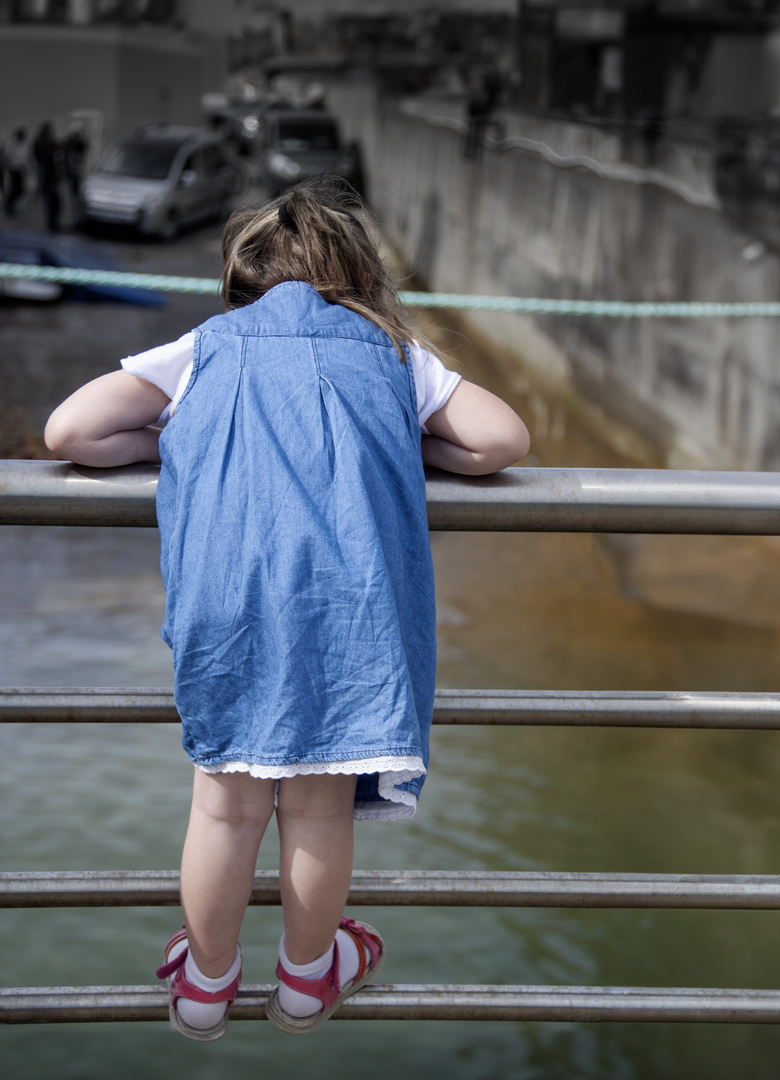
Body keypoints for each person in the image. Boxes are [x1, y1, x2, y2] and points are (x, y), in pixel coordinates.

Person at [43, 178, 528, 1041]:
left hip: (227, 611)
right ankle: (308, 980)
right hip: (351, 613)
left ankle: (204, 984)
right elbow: (499, 441)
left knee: (224, 808)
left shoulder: (207, 347)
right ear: (358, 276)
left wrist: (172, 436)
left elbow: (69, 432)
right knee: (316, 808)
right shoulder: (389, 351)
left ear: (242, 281)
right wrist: (399, 434)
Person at [31, 121, 62, 232]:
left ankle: (52, 223)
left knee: (54, 202)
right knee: (52, 201)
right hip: (47, 176)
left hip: (50, 175)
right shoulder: (41, 144)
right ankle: (51, 224)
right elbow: (41, 157)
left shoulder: (50, 143)